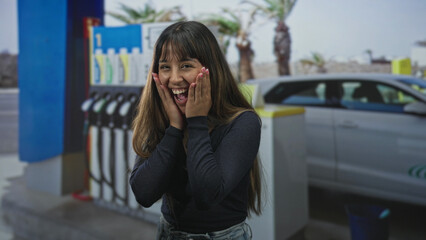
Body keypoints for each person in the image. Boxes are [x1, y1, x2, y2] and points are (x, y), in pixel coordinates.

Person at [130, 21, 262, 240]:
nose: (174, 78)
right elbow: (144, 193)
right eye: (165, 67)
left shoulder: (243, 122)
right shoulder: (163, 118)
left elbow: (207, 196)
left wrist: (197, 121)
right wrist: (174, 128)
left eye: (186, 65)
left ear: (211, 69)